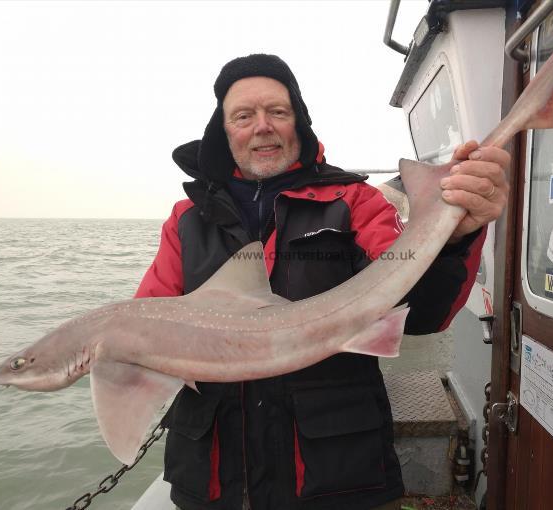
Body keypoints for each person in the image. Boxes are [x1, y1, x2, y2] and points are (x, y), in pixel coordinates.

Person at [135, 54, 510, 510]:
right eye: (243, 115)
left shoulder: (353, 203)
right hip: (215, 485)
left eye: (278, 111)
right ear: (224, 130)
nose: (262, 126)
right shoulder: (187, 221)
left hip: (336, 478)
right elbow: (147, 324)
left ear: (299, 122)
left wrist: (456, 237)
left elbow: (422, 312)